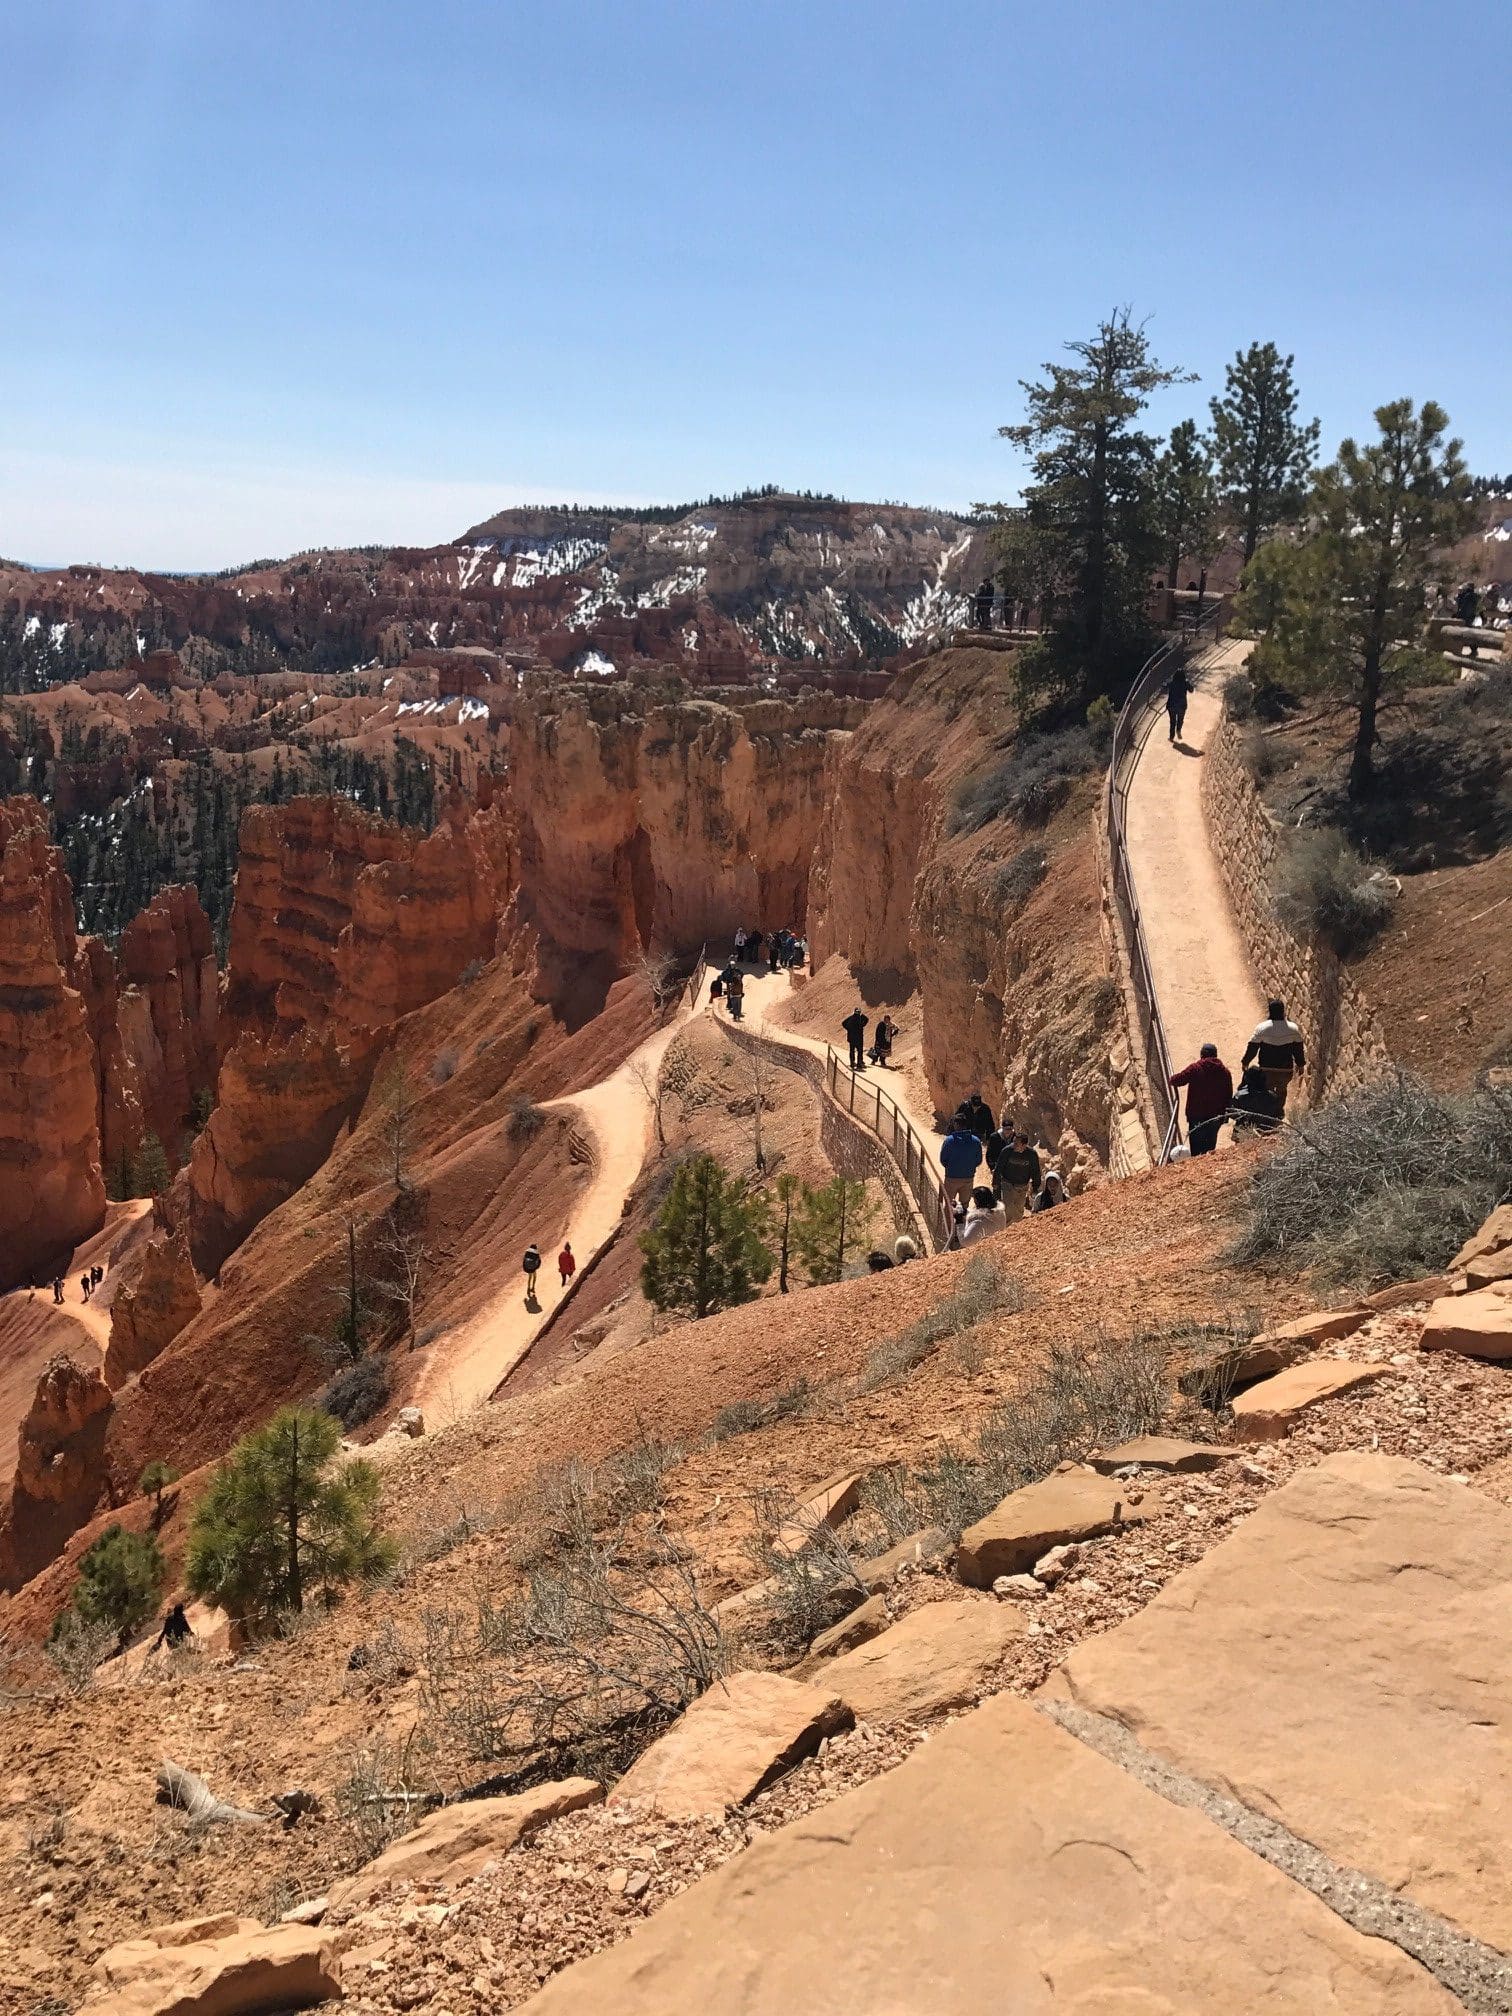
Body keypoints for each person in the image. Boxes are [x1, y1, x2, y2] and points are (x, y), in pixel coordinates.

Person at [1241, 999, 1306, 1112]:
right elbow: (1298, 1050)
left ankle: (1266, 1115)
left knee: (1265, 1092)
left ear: (1270, 1011)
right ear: (1283, 1011)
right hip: (1285, 1071)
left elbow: (1252, 1048)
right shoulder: (1293, 1029)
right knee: (1281, 1091)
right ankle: (1278, 1113)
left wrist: (1245, 1062)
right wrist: (1301, 1065)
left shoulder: (1262, 1028)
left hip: (1266, 1069)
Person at [1170, 1043, 1234, 1156]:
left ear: (1202, 1055)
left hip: (1196, 1114)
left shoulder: (1195, 1068)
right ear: (1216, 1055)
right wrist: (1225, 1116)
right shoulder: (1225, 1072)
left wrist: (1170, 1079)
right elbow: (1228, 1095)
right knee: (1209, 1147)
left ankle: (1197, 1169)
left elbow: (1177, 1080)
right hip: (1216, 1116)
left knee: (1195, 1148)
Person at [992, 1129, 1041, 1223]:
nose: (1013, 1144)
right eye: (1013, 1141)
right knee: (1008, 1209)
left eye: (1016, 1143)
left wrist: (1035, 1187)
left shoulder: (1031, 1154)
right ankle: (1007, 1230)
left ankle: (1016, 1230)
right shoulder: (1007, 1151)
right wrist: (996, 1185)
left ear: (1024, 1145)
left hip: (1022, 1186)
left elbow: (1035, 1171)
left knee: (1019, 1209)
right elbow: (999, 1168)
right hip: (1008, 1184)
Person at [939, 1118, 984, 1208]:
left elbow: (943, 1159)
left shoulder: (949, 1141)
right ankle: (962, 1221)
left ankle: (948, 1221)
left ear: (956, 1124)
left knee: (948, 1205)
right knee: (965, 1205)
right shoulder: (976, 1141)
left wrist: (950, 1167)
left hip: (952, 1177)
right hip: (968, 1177)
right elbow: (978, 1160)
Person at [1230, 1066, 1283, 1135]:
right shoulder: (1273, 1097)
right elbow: (1280, 1115)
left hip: (1243, 1132)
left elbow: (1232, 1114)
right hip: (1266, 1134)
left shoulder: (1240, 1096)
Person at [1166, 665, 1190, 742]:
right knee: (1180, 719)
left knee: (1172, 722)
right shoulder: (1185, 683)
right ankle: (1178, 730)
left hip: (1172, 705)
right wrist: (1187, 682)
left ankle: (1171, 737)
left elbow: (1164, 686)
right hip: (1182, 706)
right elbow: (1191, 690)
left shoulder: (1171, 683)